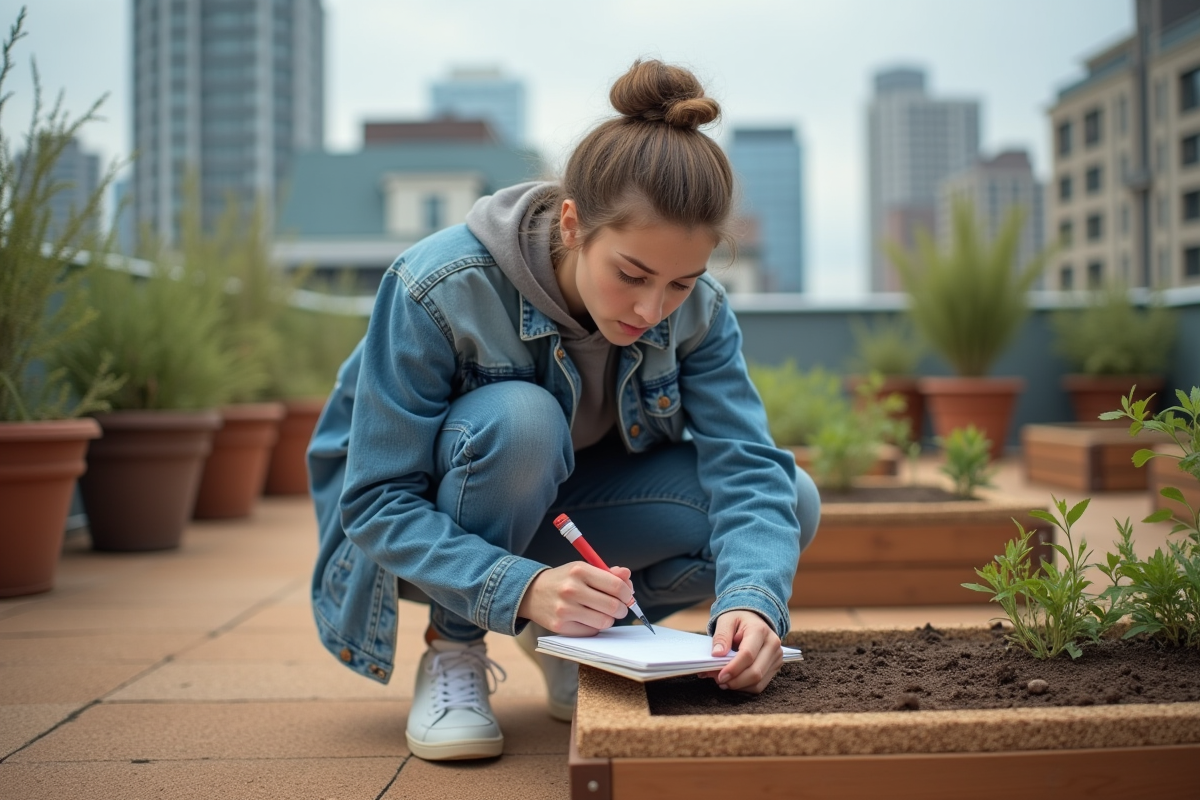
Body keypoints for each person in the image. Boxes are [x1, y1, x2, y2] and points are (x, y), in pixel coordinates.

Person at [307, 59, 820, 762]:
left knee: (792, 497)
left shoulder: (699, 314)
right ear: (573, 225)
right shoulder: (439, 287)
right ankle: (453, 649)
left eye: (680, 283)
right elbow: (373, 502)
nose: (651, 309)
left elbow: (749, 468)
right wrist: (522, 585)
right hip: (413, 543)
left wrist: (752, 602)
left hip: (564, 517)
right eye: (631, 275)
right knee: (522, 421)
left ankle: (579, 637)